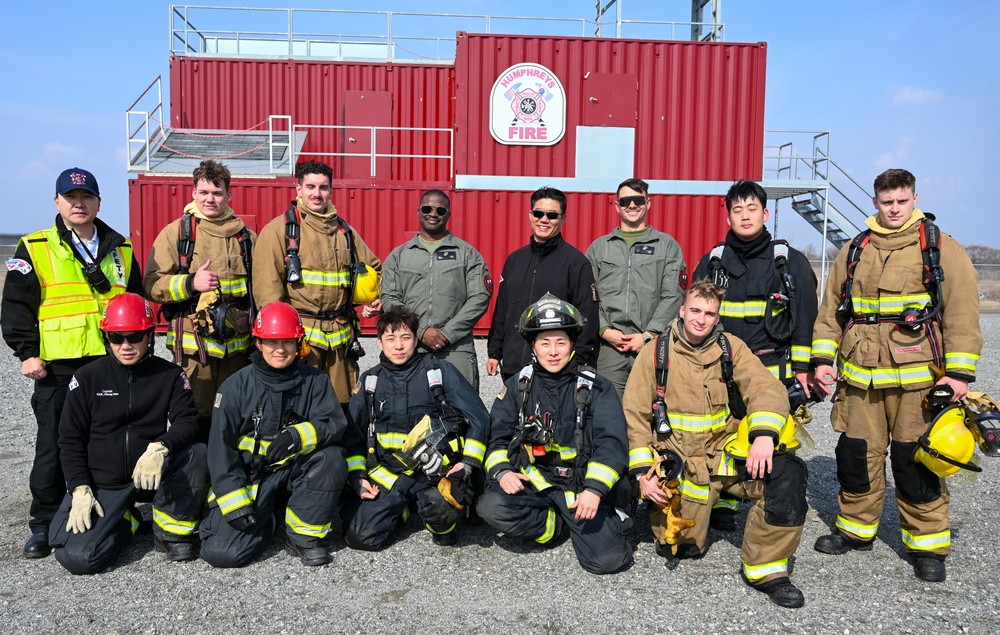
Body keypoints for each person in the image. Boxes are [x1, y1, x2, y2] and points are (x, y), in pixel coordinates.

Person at [811, 168, 982, 583]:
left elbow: (961, 313)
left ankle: (927, 545)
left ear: (914, 198)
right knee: (855, 456)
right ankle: (856, 529)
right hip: (860, 377)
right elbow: (831, 311)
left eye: (901, 201)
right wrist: (821, 360)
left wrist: (958, 375)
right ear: (875, 202)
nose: (894, 209)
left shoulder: (940, 248)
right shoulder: (854, 250)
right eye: (887, 202)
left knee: (915, 460)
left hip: (917, 382)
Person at [622, 280, 807, 608]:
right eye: (695, 310)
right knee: (681, 547)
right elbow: (633, 416)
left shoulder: (731, 348)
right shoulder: (655, 353)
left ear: (717, 317)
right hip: (679, 462)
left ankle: (766, 570)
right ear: (682, 310)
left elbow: (766, 388)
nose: (700, 319)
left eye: (709, 313)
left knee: (787, 474)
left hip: (723, 455)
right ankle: (709, 508)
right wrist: (642, 474)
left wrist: (764, 435)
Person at [1, 167, 143, 559]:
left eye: (86, 198)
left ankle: (113, 509)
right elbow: (14, 307)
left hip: (108, 364)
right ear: (57, 202)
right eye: (71, 198)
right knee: (52, 445)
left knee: (109, 441)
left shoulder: (121, 249)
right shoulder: (35, 246)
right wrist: (27, 353)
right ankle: (44, 524)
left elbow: (134, 303)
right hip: (57, 368)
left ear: (99, 202)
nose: (79, 204)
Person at [692, 180, 818, 531]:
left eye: (752, 210)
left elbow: (806, 318)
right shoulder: (713, 262)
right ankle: (727, 501)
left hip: (771, 371)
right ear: (728, 216)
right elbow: (695, 317)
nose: (745, 217)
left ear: (764, 213)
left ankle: (774, 505)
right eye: (737, 210)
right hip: (721, 368)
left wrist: (805, 369)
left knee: (770, 437)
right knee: (724, 432)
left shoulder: (788, 262)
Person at [48, 293, 207, 574]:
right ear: (106, 337)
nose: (125, 345)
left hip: (150, 473)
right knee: (78, 559)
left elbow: (187, 422)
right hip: (103, 483)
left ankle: (171, 532)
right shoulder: (86, 378)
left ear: (149, 336)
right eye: (116, 337)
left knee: (197, 452)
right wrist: (80, 488)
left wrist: (161, 446)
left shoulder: (170, 375)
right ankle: (127, 521)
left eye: (134, 336)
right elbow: (70, 439)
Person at [478, 293, 634, 575]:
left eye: (561, 342)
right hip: (537, 483)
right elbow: (497, 438)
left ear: (572, 345)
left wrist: (595, 490)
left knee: (608, 561)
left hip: (581, 491)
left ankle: (599, 520)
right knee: (491, 506)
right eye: (544, 342)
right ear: (533, 347)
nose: (553, 351)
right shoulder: (517, 386)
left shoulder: (597, 389)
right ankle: (555, 526)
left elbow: (611, 444)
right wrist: (503, 472)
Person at [200, 302, 350, 567]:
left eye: (288, 342)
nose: (280, 349)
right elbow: (220, 449)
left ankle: (303, 536)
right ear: (258, 343)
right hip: (252, 478)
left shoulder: (315, 381)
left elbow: (334, 423)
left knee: (332, 458)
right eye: (272, 342)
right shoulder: (236, 386)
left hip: (296, 473)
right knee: (223, 554)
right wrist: (234, 502)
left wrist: (297, 436)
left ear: (298, 342)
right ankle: (268, 518)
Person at [343, 306, 491, 550]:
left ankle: (439, 522)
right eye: (390, 339)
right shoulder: (370, 381)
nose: (398, 346)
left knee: (442, 514)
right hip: (390, 477)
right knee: (360, 537)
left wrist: (466, 465)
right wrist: (358, 477)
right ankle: (404, 509)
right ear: (379, 342)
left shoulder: (439, 372)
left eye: (405, 337)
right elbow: (353, 437)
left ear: (415, 339)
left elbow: (479, 418)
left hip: (434, 475)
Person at [253, 160, 382, 407]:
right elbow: (268, 294)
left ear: (331, 191)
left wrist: (377, 299)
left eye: (323, 187)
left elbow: (375, 269)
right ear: (298, 189)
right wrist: (285, 340)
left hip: (340, 340)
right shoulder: (279, 231)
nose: (316, 193)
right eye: (310, 186)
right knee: (301, 403)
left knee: (342, 405)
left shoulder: (345, 232)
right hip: (302, 340)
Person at [144, 160, 257, 437]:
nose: (210, 199)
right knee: (194, 416)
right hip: (195, 352)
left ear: (228, 196)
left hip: (237, 350)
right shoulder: (177, 234)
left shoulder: (246, 237)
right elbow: (151, 284)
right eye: (204, 192)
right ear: (193, 193)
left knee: (235, 414)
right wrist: (190, 283)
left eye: (217, 193)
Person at [380, 189, 492, 390]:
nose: (433, 214)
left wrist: (448, 333)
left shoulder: (467, 254)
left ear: (448, 214)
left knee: (462, 410)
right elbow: (390, 297)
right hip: (410, 345)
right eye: (427, 208)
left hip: (456, 347)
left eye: (440, 210)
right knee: (408, 408)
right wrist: (420, 331)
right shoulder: (399, 256)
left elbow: (479, 297)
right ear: (419, 211)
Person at [586, 178, 685, 398]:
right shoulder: (599, 248)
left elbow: (674, 295)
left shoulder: (667, 246)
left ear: (648, 203)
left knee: (650, 410)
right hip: (609, 349)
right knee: (608, 412)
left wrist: (649, 334)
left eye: (638, 199)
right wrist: (604, 330)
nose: (632, 205)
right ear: (616, 206)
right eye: (626, 201)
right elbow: (589, 296)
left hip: (652, 345)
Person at [487, 186, 599, 380]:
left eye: (552, 215)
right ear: (531, 215)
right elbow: (503, 309)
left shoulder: (576, 263)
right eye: (539, 213)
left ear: (563, 219)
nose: (544, 219)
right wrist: (495, 352)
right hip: (514, 366)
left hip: (554, 368)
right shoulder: (514, 260)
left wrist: (578, 361)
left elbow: (587, 317)